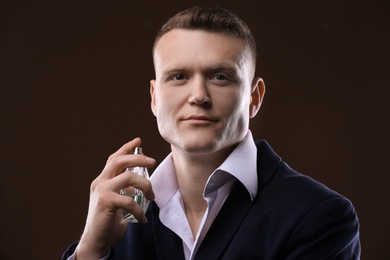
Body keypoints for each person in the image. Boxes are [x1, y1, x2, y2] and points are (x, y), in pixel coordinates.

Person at [62, 6, 360, 259]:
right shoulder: (121, 221)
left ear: (254, 98)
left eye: (220, 77)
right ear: (154, 97)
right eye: (179, 76)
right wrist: (90, 251)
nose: (198, 96)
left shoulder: (321, 216)